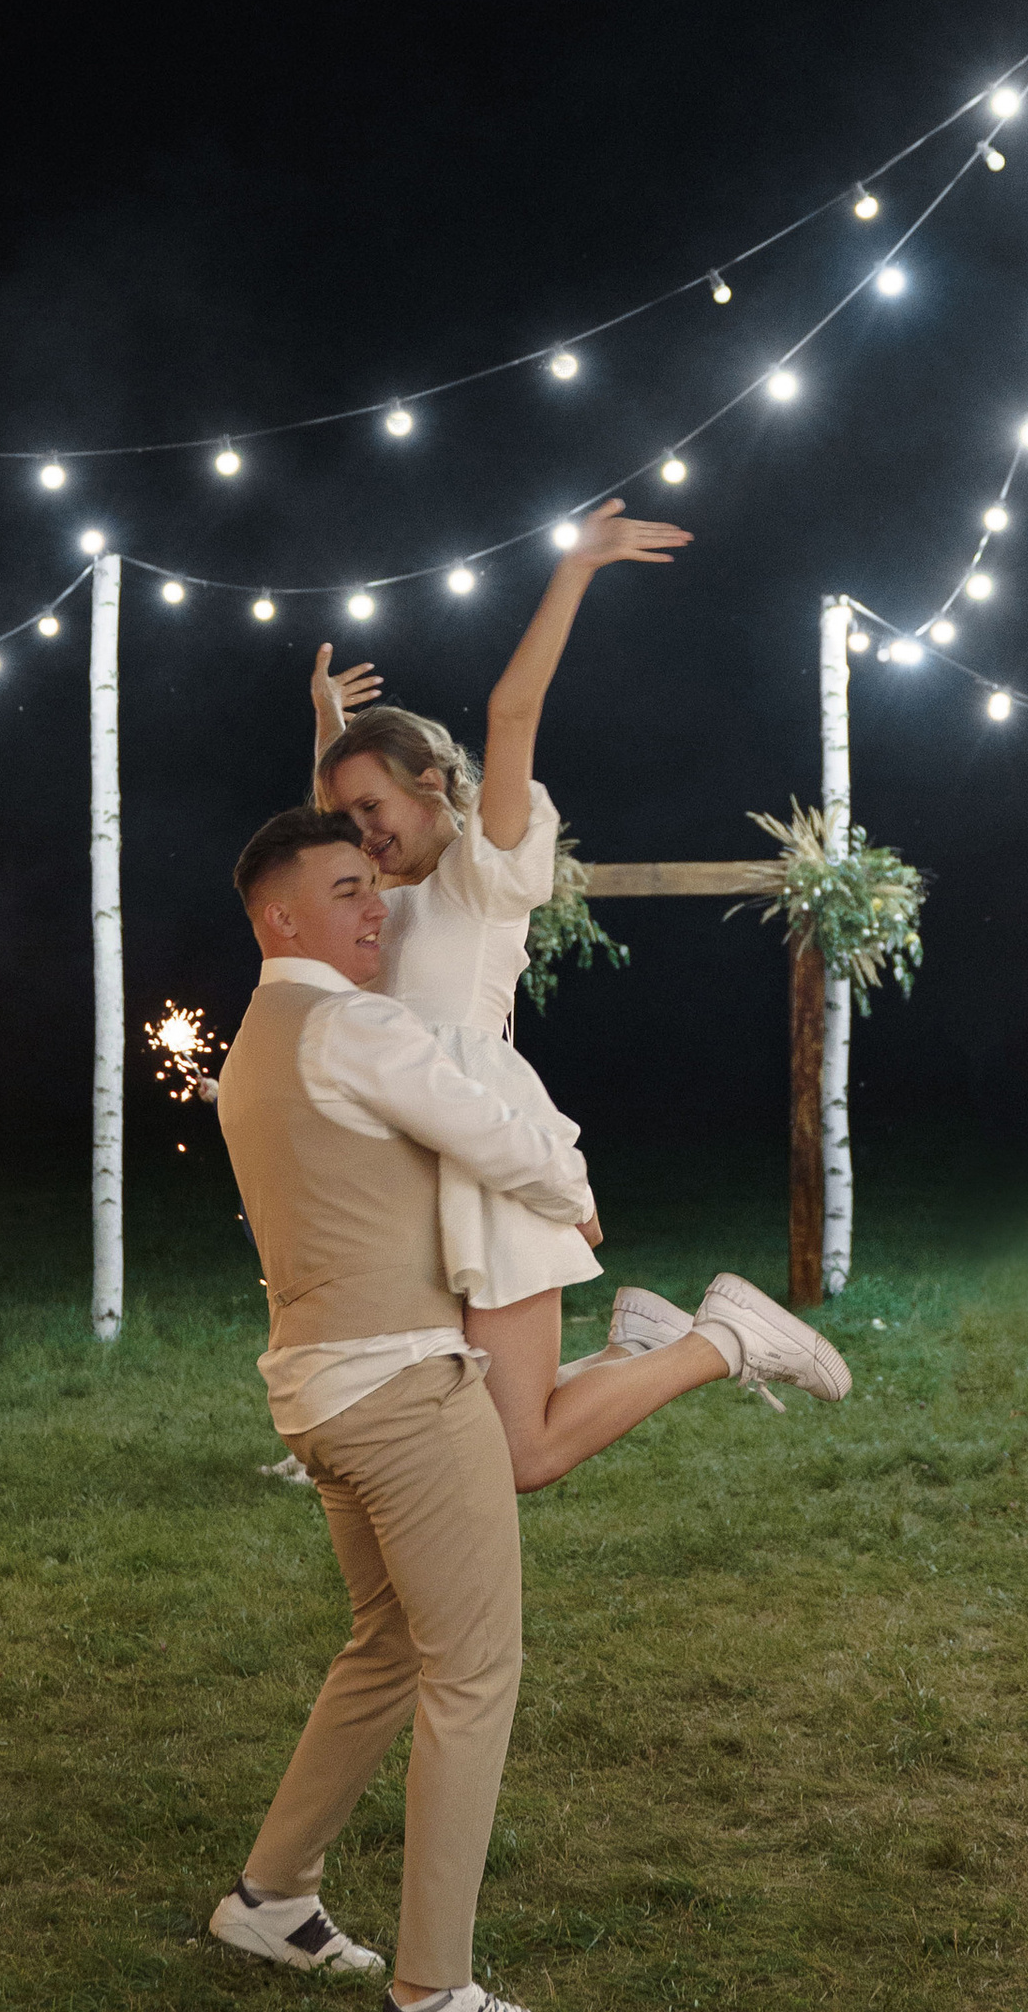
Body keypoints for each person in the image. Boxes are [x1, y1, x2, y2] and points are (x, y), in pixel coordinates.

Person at [209, 807, 842, 2012]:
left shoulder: (251, 1044)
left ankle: (270, 1901)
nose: (371, 906)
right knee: (473, 1674)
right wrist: (574, 1198)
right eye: (344, 891)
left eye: (374, 886)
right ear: (280, 917)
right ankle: (432, 2002)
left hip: (312, 1393)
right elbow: (495, 1130)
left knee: (387, 1648)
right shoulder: (352, 1024)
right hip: (398, 1392)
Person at [312, 505, 848, 1488]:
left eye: (372, 808)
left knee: (520, 1453)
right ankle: (636, 1342)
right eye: (346, 815)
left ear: (432, 784)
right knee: (460, 1422)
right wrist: (327, 729)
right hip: (422, 1157)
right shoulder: (384, 903)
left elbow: (511, 713)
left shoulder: (480, 868)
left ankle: (717, 1339)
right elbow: (320, 846)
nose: (359, 831)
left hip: (486, 1161)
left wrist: (574, 569)